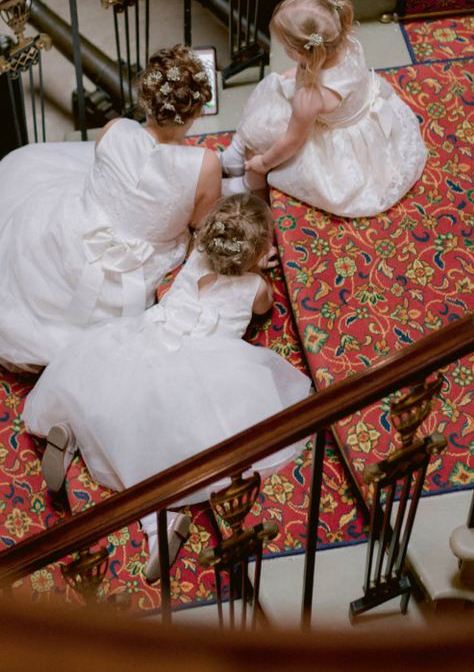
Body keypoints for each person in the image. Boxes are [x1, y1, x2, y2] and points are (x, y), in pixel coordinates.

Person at [22, 193, 312, 581]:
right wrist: (258, 268)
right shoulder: (254, 287)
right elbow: (264, 308)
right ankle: (161, 522)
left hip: (149, 340)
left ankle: (72, 434)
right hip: (201, 370)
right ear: (258, 250)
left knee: (111, 392)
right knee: (161, 440)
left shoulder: (195, 257)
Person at [0, 45, 221, 373]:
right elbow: (201, 222)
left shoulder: (115, 129)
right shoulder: (205, 165)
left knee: (28, 192)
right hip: (132, 274)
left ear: (146, 98)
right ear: (197, 111)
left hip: (72, 237)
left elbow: (105, 174)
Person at [222, 0, 428, 218]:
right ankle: (238, 150)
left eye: (287, 48)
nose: (285, 52)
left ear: (304, 53)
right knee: (275, 91)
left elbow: (291, 142)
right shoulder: (346, 42)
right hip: (357, 110)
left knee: (269, 123)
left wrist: (263, 162)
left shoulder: (310, 97)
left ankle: (251, 182)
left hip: (337, 138)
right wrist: (299, 72)